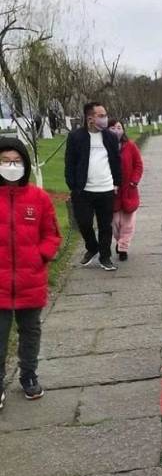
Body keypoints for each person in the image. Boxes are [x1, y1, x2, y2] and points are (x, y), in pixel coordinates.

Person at [0, 138, 61, 408]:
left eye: (16, 161)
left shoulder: (39, 198)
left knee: (30, 331)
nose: (11, 166)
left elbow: (52, 234)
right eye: (5, 161)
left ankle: (28, 375)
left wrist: (41, 256)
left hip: (30, 280)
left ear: (24, 164)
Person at [64, 102, 121, 271]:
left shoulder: (110, 137)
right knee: (84, 222)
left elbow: (116, 161)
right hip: (83, 190)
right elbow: (70, 163)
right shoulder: (76, 137)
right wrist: (73, 185)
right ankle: (92, 247)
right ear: (90, 118)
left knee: (105, 226)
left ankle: (105, 257)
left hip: (106, 188)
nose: (105, 119)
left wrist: (117, 182)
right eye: (101, 116)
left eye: (105, 115)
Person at [107, 118, 144, 261]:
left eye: (119, 128)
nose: (116, 131)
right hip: (112, 191)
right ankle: (119, 240)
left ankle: (123, 248)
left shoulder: (130, 146)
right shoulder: (104, 147)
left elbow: (138, 165)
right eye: (112, 128)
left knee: (128, 223)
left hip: (129, 190)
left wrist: (134, 181)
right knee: (115, 223)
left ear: (123, 130)